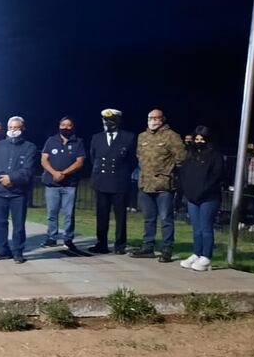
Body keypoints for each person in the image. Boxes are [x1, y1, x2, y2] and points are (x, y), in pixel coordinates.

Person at [130, 109, 187, 262]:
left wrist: (169, 171)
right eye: (150, 117)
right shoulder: (142, 136)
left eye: (156, 118)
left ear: (163, 119)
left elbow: (181, 158)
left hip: (164, 185)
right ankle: (148, 247)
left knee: (166, 219)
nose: (153, 120)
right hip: (146, 184)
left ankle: (167, 249)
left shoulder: (171, 136)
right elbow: (139, 156)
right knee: (148, 218)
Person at [0, 116, 38, 263]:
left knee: (18, 225)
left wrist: (12, 179)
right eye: (11, 128)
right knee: (0, 223)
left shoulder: (30, 147)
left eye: (17, 128)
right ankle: (2, 251)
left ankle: (18, 252)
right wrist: (1, 177)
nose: (13, 130)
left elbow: (28, 169)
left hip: (18, 193)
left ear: (23, 129)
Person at [88, 109, 138, 254]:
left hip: (119, 182)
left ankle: (120, 245)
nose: (107, 123)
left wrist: (122, 173)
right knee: (102, 215)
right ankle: (101, 243)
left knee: (120, 216)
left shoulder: (128, 137)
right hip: (101, 181)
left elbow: (132, 160)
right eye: (104, 120)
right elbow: (94, 158)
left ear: (117, 121)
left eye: (110, 120)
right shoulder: (97, 137)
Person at [179, 127, 224, 272]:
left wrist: (203, 190)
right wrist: (188, 191)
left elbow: (216, 176)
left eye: (202, 139)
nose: (199, 142)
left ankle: (206, 256)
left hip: (209, 197)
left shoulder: (215, 156)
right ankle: (196, 253)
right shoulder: (190, 155)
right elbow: (184, 175)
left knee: (206, 228)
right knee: (196, 228)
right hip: (193, 198)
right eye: (196, 139)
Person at [40, 116, 86, 250]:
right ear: (59, 126)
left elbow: (79, 162)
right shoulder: (51, 140)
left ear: (73, 127)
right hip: (52, 184)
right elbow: (44, 160)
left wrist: (63, 173)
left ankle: (68, 239)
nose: (66, 127)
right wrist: (54, 173)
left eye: (69, 125)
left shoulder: (78, 142)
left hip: (69, 184)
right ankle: (51, 237)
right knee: (52, 213)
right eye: (63, 125)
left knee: (69, 214)